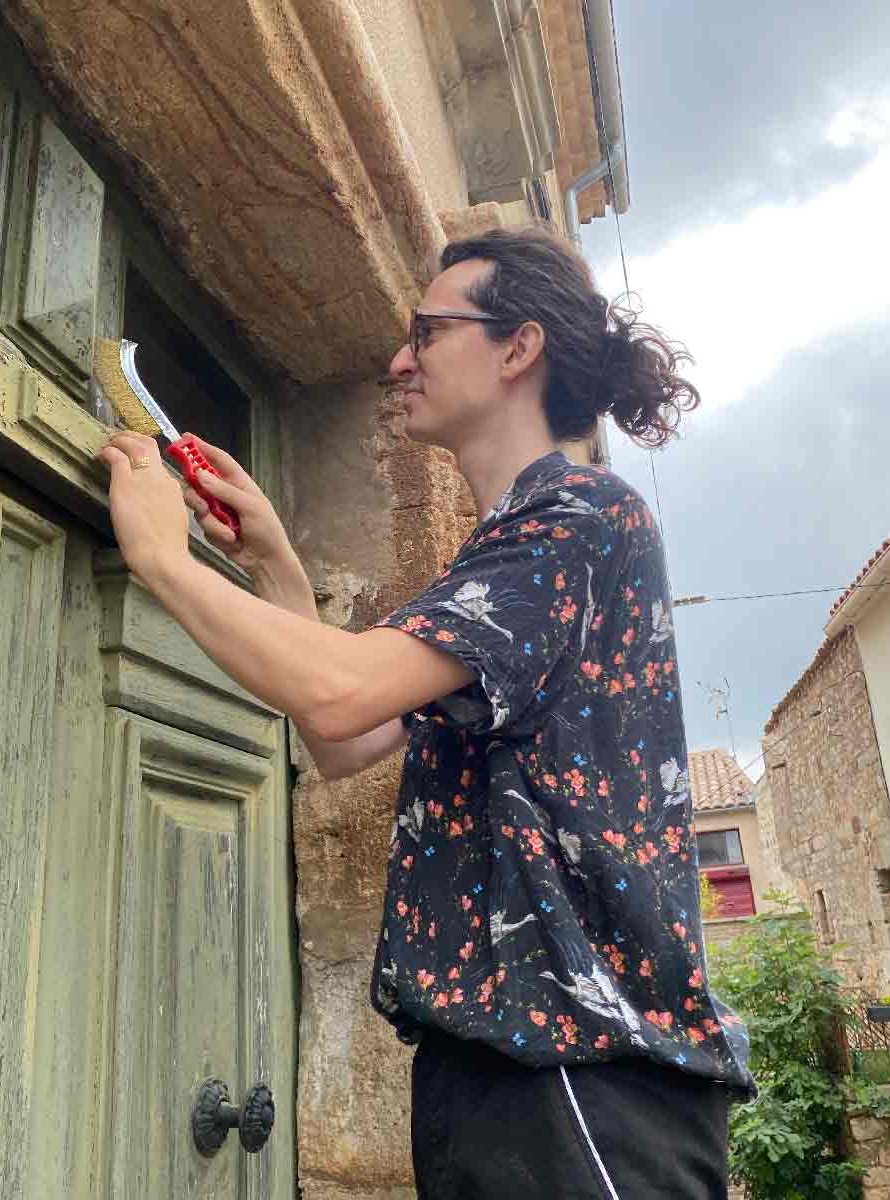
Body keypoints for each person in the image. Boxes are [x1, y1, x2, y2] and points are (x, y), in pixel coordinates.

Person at [99, 225, 754, 1199]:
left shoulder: (579, 518)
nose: (400, 361)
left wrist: (160, 557)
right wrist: (277, 564)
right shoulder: (506, 555)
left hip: (581, 1082)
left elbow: (341, 691)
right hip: (503, 1072)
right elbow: (346, 738)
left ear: (518, 347)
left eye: (427, 332)